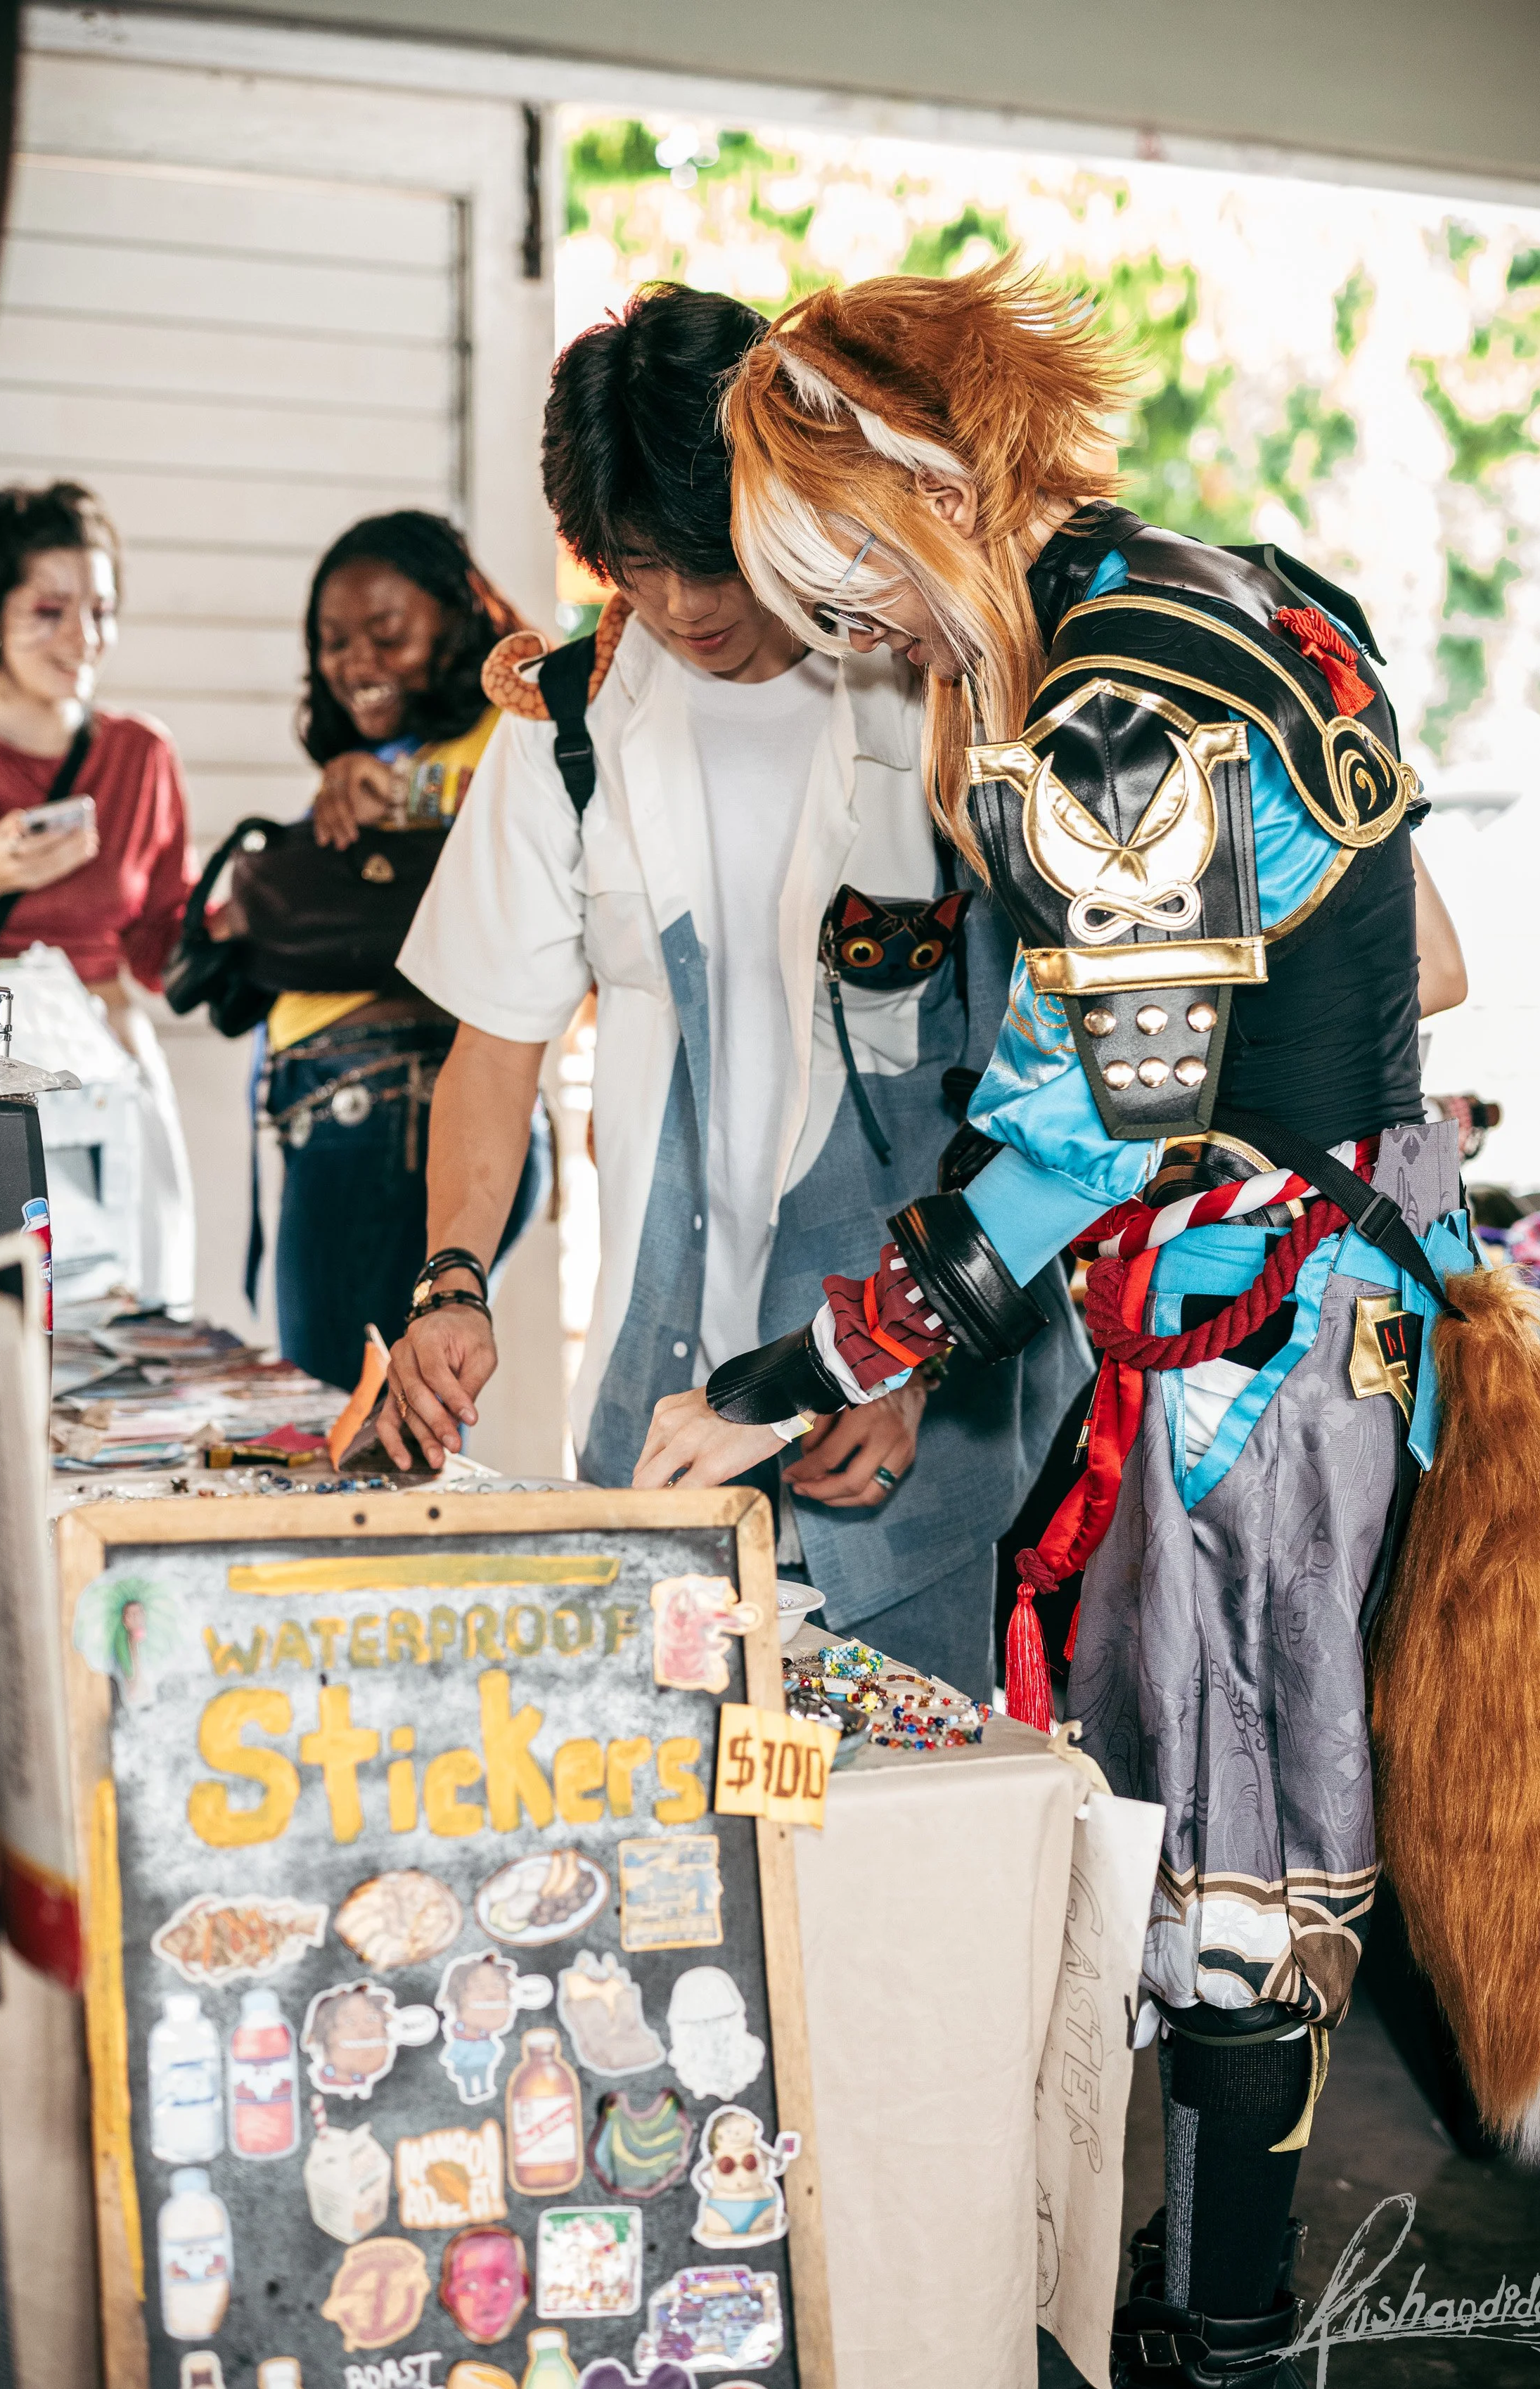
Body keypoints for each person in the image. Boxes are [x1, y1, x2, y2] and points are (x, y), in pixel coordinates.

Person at [634, 261, 1540, 2389]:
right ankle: (1201, 2368)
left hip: (1244, 1352)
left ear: (909, 481)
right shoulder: (1241, 592)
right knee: (1221, 1872)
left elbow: (1097, 1122)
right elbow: (1422, 956)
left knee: (1233, 1897)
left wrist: (803, 1366)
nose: (831, 630)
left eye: (833, 572)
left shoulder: (1101, 697)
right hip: (1330, 1311)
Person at [380, 284, 1090, 1697]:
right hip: (669, 1409)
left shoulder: (931, 678)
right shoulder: (560, 729)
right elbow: (495, 1041)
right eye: (642, 566)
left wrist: (913, 1364)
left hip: (915, 1425)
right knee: (681, 1836)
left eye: (717, 560)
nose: (690, 609)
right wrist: (451, 1278)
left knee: (913, 1842)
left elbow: (1055, 1083)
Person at [231, 511, 551, 1393]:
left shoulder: (510, 721)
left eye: (387, 632)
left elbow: (529, 842)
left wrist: (393, 789)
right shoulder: (382, 748)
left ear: (456, 616)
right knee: (363, 1410)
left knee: (348, 1415)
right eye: (334, 641)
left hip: (390, 1111)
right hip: (345, 1110)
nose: (356, 662)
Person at [0, 479, 196, 1300]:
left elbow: (161, 943)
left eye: (101, 610)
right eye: (50, 609)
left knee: (127, 1319)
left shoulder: (140, 755)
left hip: (109, 1076)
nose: (83, 637)